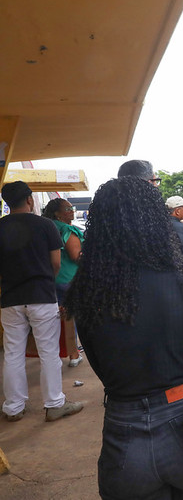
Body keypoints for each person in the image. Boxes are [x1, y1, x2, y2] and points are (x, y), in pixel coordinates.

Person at [64, 177, 183, 499]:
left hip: (124, 441)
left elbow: (100, 367)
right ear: (158, 221)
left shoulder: (86, 295)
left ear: (99, 229)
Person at [0, 181, 84, 422]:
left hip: (10, 299)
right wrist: (46, 283)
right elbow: (56, 263)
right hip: (41, 296)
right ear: (29, 200)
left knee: (13, 353)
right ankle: (54, 403)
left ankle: (14, 407)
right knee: (49, 351)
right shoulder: (45, 225)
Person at [42, 197, 84, 367]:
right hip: (68, 279)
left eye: (71, 207)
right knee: (71, 318)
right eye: (67, 209)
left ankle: (55, 354)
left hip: (50, 279)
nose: (72, 211)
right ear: (57, 214)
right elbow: (76, 256)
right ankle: (74, 354)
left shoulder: (45, 227)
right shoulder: (66, 229)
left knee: (54, 319)